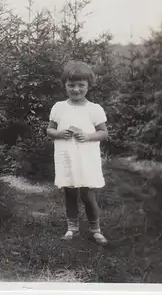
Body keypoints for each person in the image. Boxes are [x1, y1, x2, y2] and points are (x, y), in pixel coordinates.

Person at [46, 60, 109, 245]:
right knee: (70, 193)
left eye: (81, 85)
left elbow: (104, 133)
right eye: (71, 85)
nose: (76, 89)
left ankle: (95, 229)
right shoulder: (59, 107)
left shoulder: (94, 109)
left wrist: (88, 136)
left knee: (87, 195)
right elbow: (49, 130)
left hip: (86, 158)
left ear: (88, 86)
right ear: (64, 85)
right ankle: (72, 228)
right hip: (67, 157)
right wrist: (58, 133)